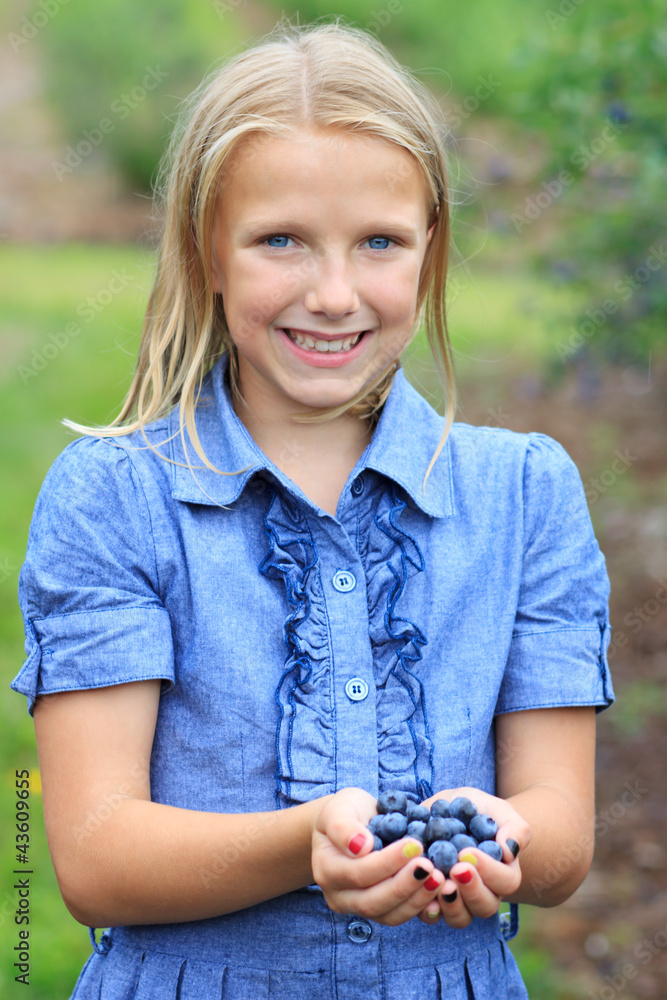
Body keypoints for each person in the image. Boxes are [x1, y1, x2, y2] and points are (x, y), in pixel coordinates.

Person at [11, 16, 614, 1000]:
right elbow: (89, 853)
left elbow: (561, 837)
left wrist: (507, 832)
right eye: (280, 241)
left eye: (379, 242)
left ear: (430, 250)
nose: (333, 293)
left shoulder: (526, 492)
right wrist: (305, 844)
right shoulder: (113, 498)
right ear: (207, 250)